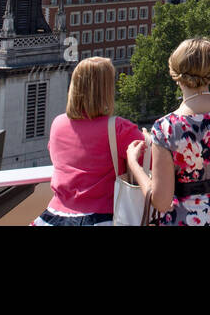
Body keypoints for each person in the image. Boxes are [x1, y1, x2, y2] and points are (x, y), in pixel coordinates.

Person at [127, 37, 210, 225]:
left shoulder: (166, 128)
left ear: (175, 73)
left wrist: (134, 164)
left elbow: (161, 201)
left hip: (189, 218)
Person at [34, 56, 143, 226]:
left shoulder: (58, 124)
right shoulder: (119, 129)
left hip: (54, 216)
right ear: (106, 90)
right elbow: (152, 163)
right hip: (100, 217)